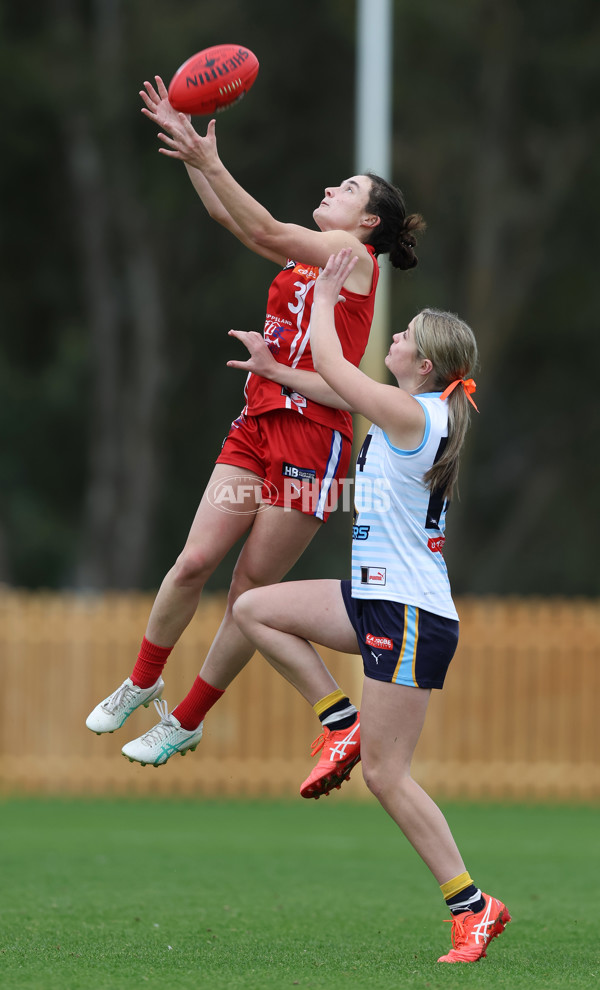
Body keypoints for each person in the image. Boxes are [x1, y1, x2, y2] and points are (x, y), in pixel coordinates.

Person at [86, 76, 425, 799]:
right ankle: (142, 683)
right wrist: (192, 155)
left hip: (315, 441)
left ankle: (188, 718)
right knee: (191, 563)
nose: (334, 187)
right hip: (258, 421)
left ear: (367, 224)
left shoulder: (354, 261)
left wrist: (208, 163)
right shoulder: (316, 252)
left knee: (249, 588)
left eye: (349, 187)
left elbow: (266, 228)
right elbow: (246, 228)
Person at [233, 249, 511, 964]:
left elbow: (337, 371)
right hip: (375, 598)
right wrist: (274, 372)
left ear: (425, 365)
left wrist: (324, 300)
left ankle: (473, 907)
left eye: (405, 333)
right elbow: (335, 384)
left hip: (408, 613)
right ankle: (339, 720)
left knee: (388, 775)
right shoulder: (412, 409)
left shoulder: (416, 413)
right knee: (255, 609)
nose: (393, 336)